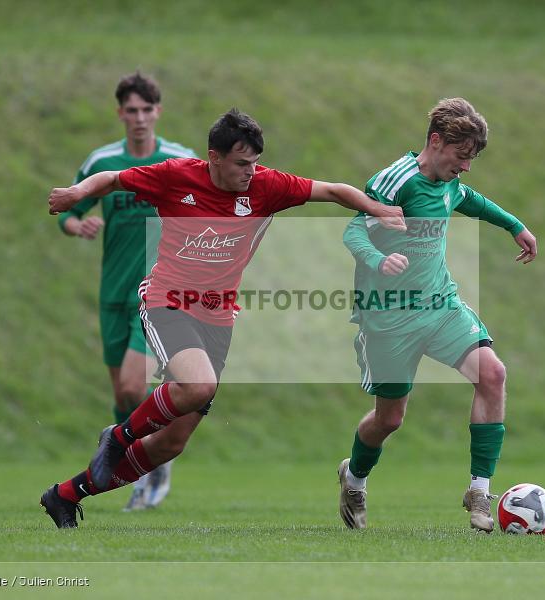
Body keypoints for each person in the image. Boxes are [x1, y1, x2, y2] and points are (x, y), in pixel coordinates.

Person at [39, 108, 405, 528]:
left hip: (217, 319)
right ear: (214, 157)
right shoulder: (177, 175)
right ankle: (119, 437)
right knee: (197, 386)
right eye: (240, 163)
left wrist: (378, 210)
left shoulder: (266, 186)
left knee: (170, 443)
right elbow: (113, 178)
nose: (251, 171)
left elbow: (334, 190)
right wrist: (75, 194)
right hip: (167, 301)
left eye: (254, 162)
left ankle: (65, 495)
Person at [337, 98, 538, 532]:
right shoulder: (396, 181)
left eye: (472, 159)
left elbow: (471, 200)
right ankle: (353, 477)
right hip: (389, 319)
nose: (465, 167)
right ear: (435, 141)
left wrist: (515, 226)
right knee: (389, 418)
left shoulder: (450, 181)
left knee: (493, 374)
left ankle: (480, 491)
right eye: (461, 156)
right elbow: (354, 230)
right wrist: (377, 260)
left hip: (439, 305)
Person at [56, 72, 194, 511]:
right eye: (130, 110)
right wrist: (77, 224)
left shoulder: (178, 160)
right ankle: (135, 469)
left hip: (157, 292)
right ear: (120, 113)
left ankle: (155, 466)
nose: (138, 118)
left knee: (136, 384)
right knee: (121, 395)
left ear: (158, 112)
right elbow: (70, 209)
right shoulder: (101, 162)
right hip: (112, 292)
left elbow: (207, 205)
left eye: (146, 110)